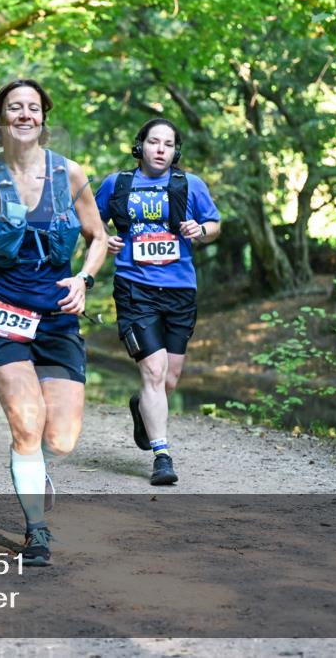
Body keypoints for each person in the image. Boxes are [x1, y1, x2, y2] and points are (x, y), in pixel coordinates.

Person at [0, 80, 107, 566]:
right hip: (2, 317)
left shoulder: (70, 175)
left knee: (61, 439)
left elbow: (98, 237)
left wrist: (84, 280)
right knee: (27, 427)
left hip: (57, 320)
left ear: (43, 118)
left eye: (33, 108)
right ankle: (37, 530)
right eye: (15, 108)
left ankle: (37, 466)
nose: (25, 115)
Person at [94, 118, 221, 485]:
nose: (161, 149)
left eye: (168, 143)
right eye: (154, 142)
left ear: (175, 151)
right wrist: (105, 238)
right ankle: (162, 455)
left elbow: (214, 224)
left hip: (180, 289)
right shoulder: (118, 184)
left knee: (169, 378)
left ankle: (141, 408)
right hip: (135, 288)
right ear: (141, 146)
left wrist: (201, 231)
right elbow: (89, 221)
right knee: (153, 370)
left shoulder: (189, 184)